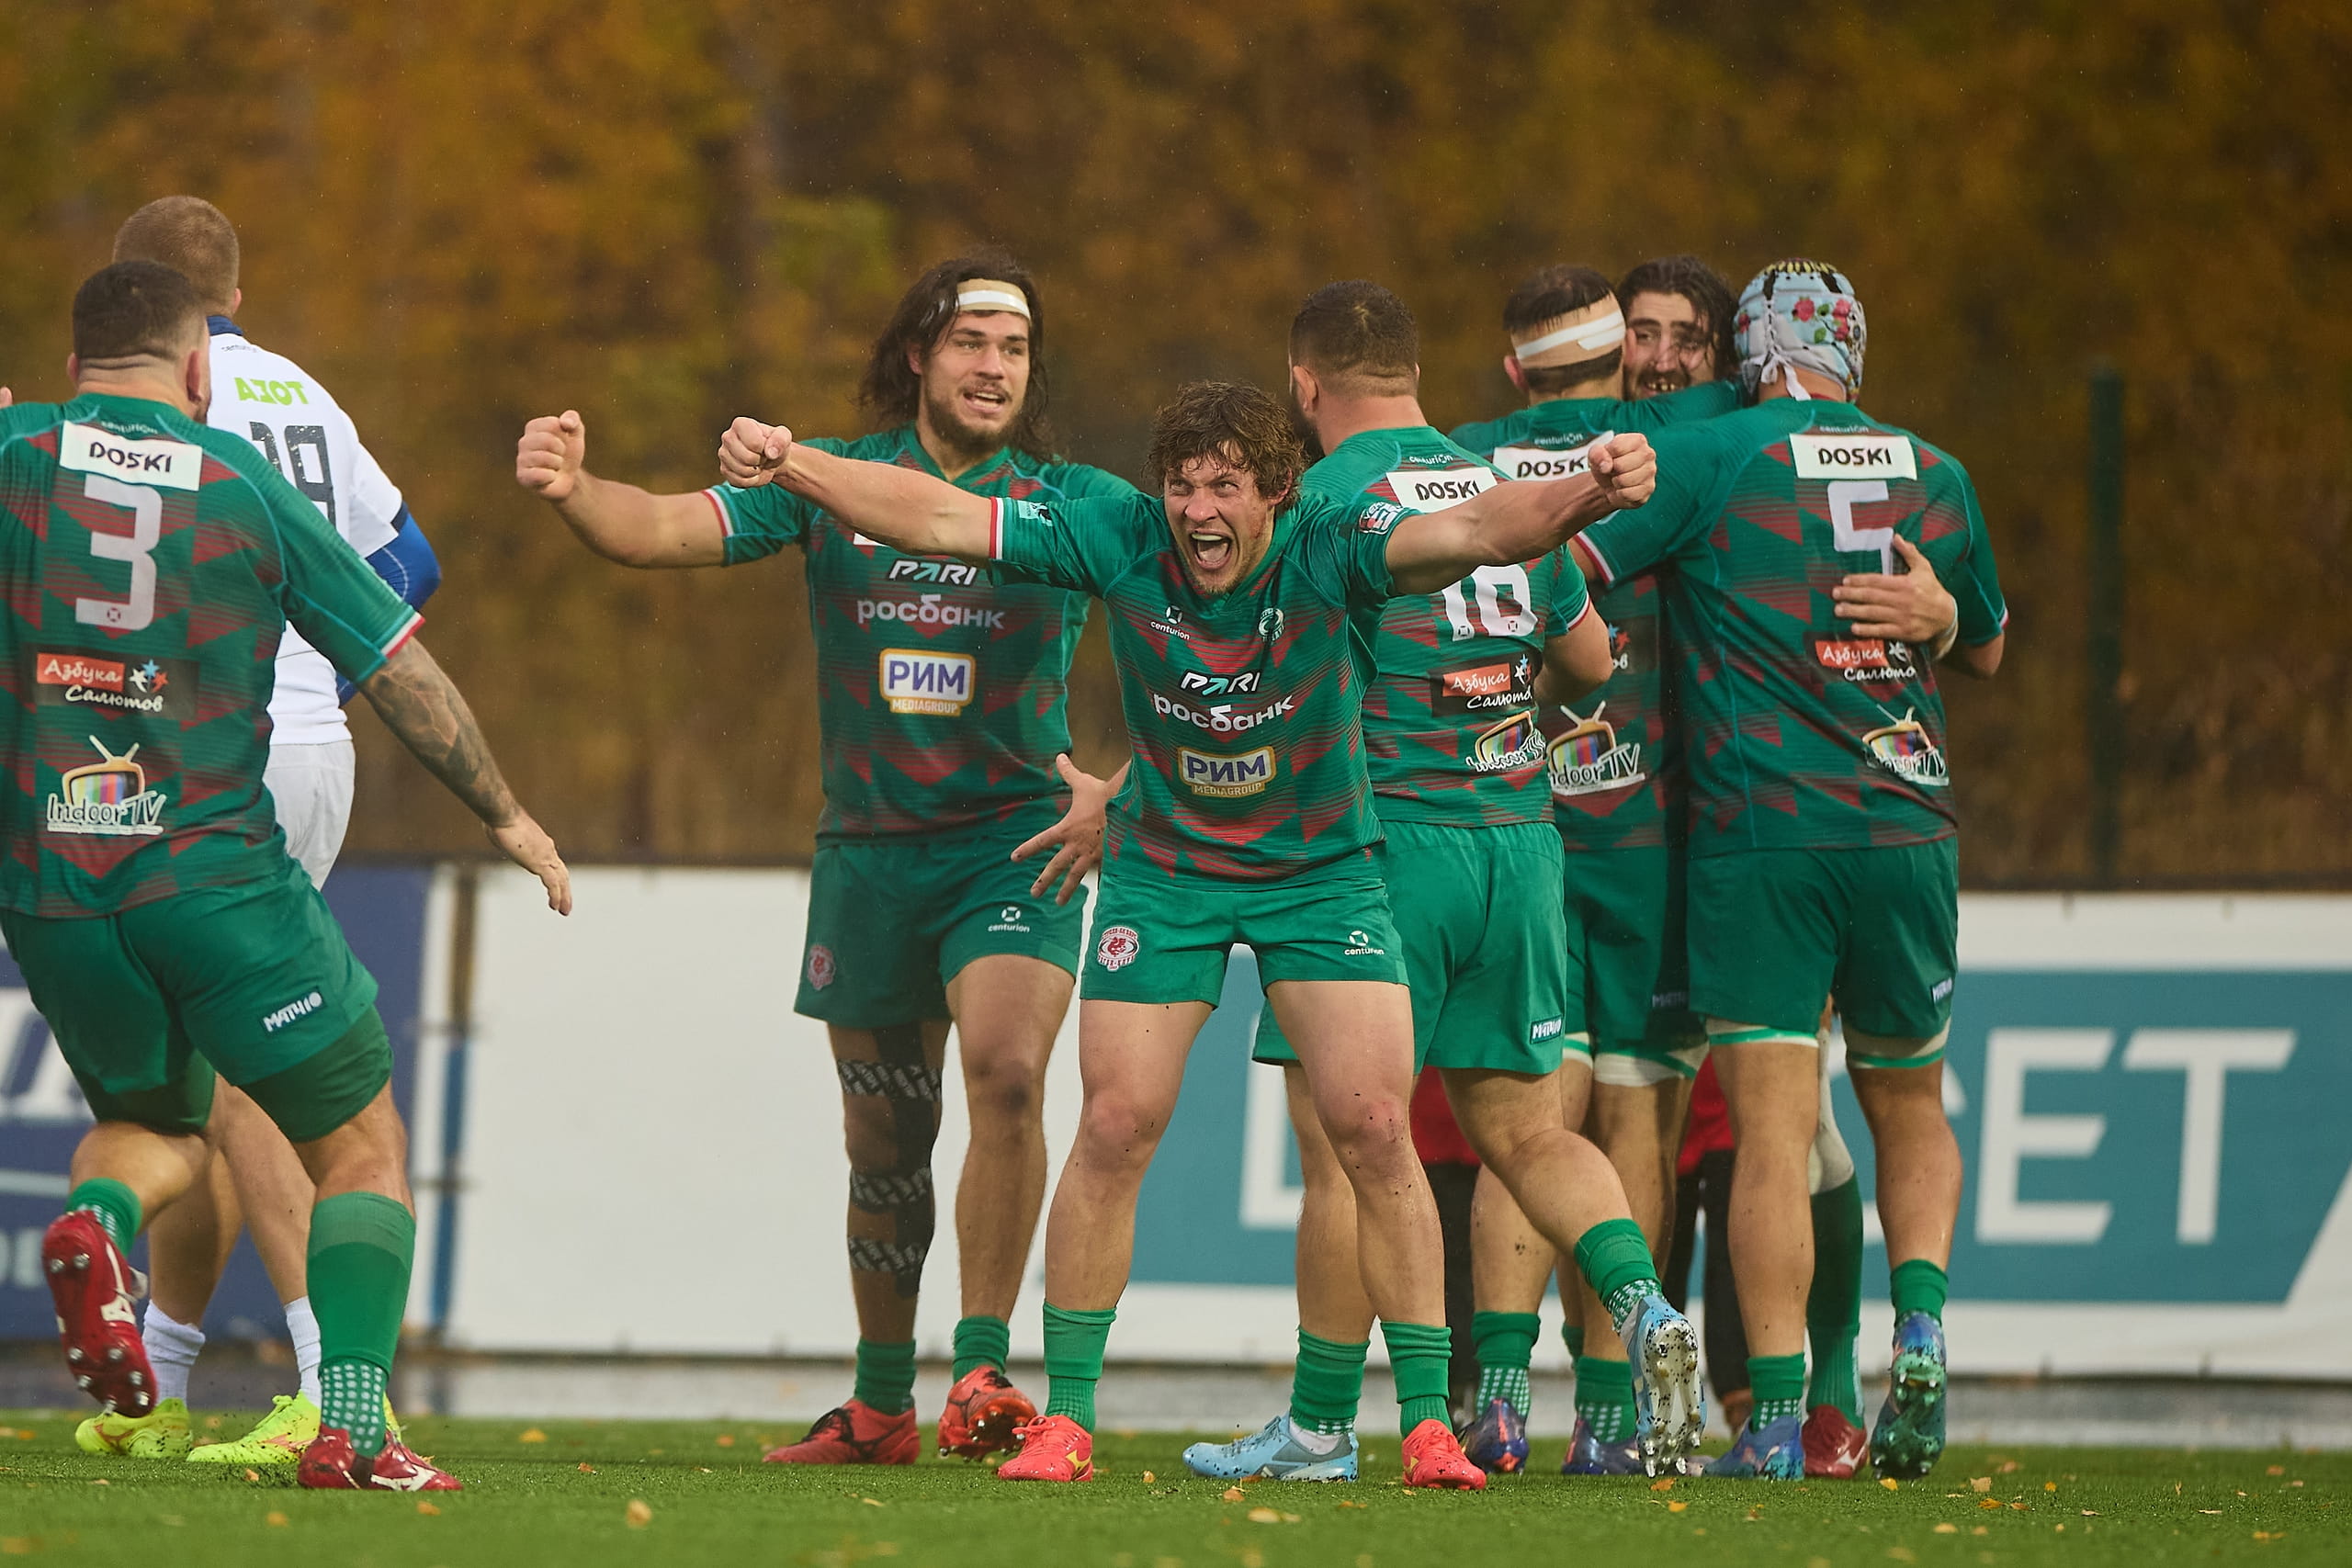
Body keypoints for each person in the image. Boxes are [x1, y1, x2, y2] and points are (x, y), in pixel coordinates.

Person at [712, 378, 1657, 1488]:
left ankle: (1423, 1428)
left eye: (1224, 488)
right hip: (1167, 873)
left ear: (1277, 494)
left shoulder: (1333, 541)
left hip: (1319, 873)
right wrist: (796, 465)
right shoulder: (1120, 532)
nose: (1197, 511)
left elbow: (1476, 529)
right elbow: (934, 516)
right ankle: (1067, 1421)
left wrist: (1589, 492)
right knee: (1115, 1124)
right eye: (1181, 486)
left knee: (1371, 1128)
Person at [515, 254, 1130, 1464]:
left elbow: (1205, 618)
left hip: (1014, 849)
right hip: (870, 857)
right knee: (884, 1143)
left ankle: (982, 1367)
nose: (994, 368)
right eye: (971, 343)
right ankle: (881, 1402)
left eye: (1014, 349)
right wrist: (575, 487)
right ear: (918, 355)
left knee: (1008, 1073)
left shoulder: (1068, 501)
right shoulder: (829, 480)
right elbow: (659, 530)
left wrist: (1124, 785)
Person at [3, 261, 569, 1492]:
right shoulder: (238, 477)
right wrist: (505, 811)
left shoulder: (17, 453)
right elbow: (400, 666)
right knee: (361, 1139)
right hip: (214, 875)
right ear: (199, 367)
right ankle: (352, 1423)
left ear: (73, 366)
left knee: (157, 1122)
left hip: (54, 883)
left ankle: (97, 1224)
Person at [1170, 281, 1703, 1485]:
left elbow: (1253, 681)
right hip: (1518, 838)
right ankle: (1643, 1305)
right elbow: (1588, 664)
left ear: (1304, 385)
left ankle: (1318, 1425)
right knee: (1526, 1129)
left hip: (1376, 856)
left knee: (1337, 1150)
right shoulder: (1499, 489)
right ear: (1412, 375)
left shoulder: (1317, 503)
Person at [1568, 259, 2005, 1481]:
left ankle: (1769, 1421)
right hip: (1909, 824)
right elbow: (1986, 643)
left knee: (1770, 1132)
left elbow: (1573, 565)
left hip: (1768, 836)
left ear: (1748, 355)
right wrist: (1941, 622)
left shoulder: (1715, 457)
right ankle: (1921, 1329)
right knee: (1909, 1105)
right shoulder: (1936, 470)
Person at [80, 194, 443, 1473]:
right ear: (234, 289)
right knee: (210, 1073)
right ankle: (163, 1377)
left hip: (203, 750)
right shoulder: (303, 390)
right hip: (315, 743)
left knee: (240, 1084)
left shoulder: (139, 405)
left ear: (130, 294)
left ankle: (320, 1378)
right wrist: (322, 655)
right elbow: (412, 557)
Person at [1451, 263, 1739, 1472]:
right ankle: (1611, 1418)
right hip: (1645, 833)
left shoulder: (1460, 458)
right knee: (1636, 1118)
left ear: (1511, 365)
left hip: (1507, 823)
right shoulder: (1676, 449)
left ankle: (1497, 1396)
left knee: (1525, 1119)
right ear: (1623, 355)